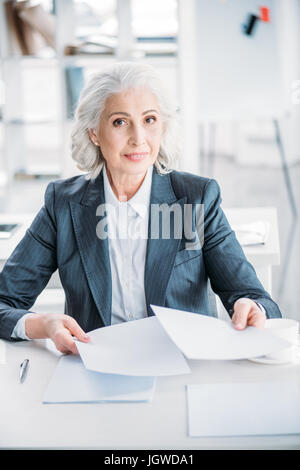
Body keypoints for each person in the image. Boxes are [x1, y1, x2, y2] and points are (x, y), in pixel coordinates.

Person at [0, 61, 281, 354]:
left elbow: (256, 298)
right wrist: (43, 324)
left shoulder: (197, 198)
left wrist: (253, 308)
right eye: (120, 122)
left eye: (149, 120)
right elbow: (4, 303)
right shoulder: (63, 204)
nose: (138, 138)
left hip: (185, 368)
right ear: (94, 133)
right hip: (96, 370)